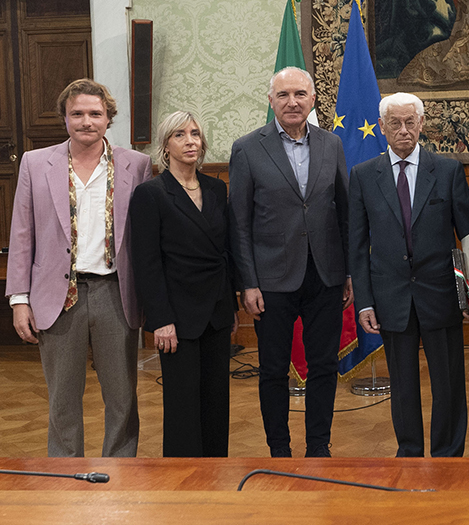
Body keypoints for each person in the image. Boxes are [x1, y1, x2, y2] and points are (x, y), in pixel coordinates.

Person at [6, 78, 151, 457]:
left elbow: (148, 238)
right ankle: (63, 475)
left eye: (95, 114)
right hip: (57, 295)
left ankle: (121, 470)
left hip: (115, 292)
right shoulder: (36, 164)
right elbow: (22, 234)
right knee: (62, 397)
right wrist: (19, 299)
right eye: (78, 114)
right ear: (64, 118)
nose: (87, 121)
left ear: (108, 119)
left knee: (122, 396)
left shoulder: (137, 165)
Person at [349, 92, 469, 457]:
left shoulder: (447, 171)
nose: (403, 130)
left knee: (448, 383)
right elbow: (357, 245)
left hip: (441, 294)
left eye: (411, 122)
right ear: (382, 127)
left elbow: (468, 234)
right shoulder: (363, 176)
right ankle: (409, 452)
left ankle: (448, 454)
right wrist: (364, 301)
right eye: (394, 123)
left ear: (422, 124)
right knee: (404, 384)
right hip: (390, 296)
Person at [229, 67, 352, 458]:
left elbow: (344, 212)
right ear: (271, 101)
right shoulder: (248, 148)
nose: (292, 102)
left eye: (300, 94)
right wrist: (247, 282)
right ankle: (278, 449)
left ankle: (318, 446)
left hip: (325, 274)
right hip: (271, 281)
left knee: (324, 366)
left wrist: (348, 271)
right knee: (272, 371)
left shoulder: (331, 144)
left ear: (313, 99)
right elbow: (239, 223)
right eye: (283, 95)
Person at [129, 111, 238, 457]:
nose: (190, 141)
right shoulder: (151, 193)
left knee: (216, 399)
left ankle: (215, 471)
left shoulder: (216, 188)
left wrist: (231, 306)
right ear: (165, 145)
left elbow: (226, 251)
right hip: (176, 317)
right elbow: (146, 263)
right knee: (182, 403)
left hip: (217, 312)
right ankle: (182, 477)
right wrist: (160, 320)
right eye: (180, 135)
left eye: (195, 134)